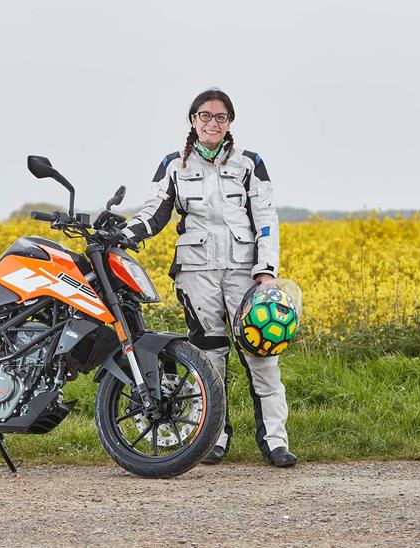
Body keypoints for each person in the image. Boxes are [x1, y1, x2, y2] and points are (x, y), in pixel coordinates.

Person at [122, 88, 296, 467]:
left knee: (262, 356)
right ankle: (214, 439)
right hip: (196, 272)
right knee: (209, 358)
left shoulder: (250, 163)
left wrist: (266, 271)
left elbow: (266, 217)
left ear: (229, 122)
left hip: (244, 273)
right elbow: (155, 212)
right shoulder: (173, 165)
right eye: (205, 116)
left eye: (220, 117)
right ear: (193, 121)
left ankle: (276, 441)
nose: (212, 123)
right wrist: (125, 233)